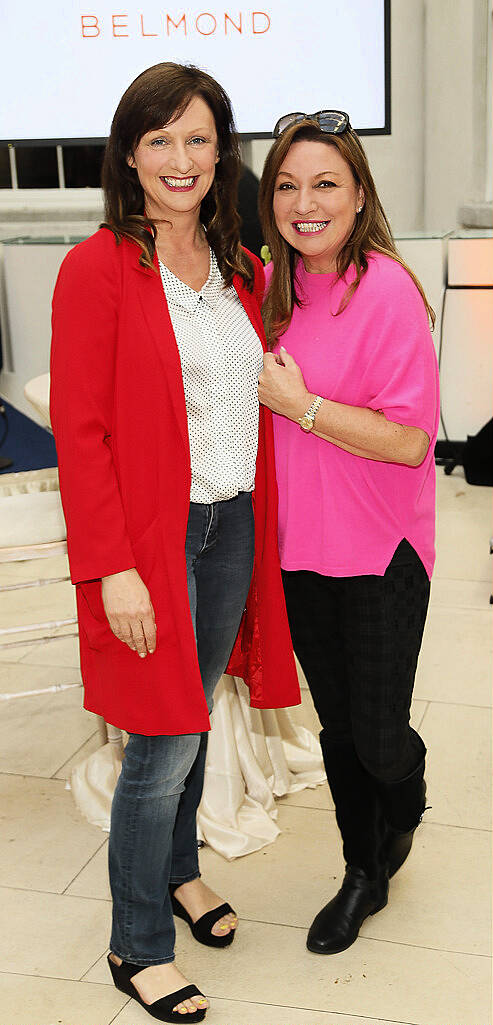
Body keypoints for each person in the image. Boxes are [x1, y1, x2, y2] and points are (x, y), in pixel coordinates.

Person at [50, 63, 299, 1022]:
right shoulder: (100, 266)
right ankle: (136, 940)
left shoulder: (241, 266)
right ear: (128, 155)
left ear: (220, 151)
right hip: (148, 540)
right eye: (159, 140)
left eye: (198, 139)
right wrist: (112, 564)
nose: (180, 159)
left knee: (194, 714)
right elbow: (82, 433)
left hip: (227, 522)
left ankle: (184, 875)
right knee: (160, 741)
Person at [257, 110, 439, 955]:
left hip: (379, 554)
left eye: (324, 182)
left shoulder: (387, 288)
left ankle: (405, 790)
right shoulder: (268, 288)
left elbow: (408, 439)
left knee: (378, 736)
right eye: (287, 185)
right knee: (337, 727)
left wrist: (305, 408)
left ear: (358, 193)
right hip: (296, 555)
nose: (305, 202)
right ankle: (363, 870)